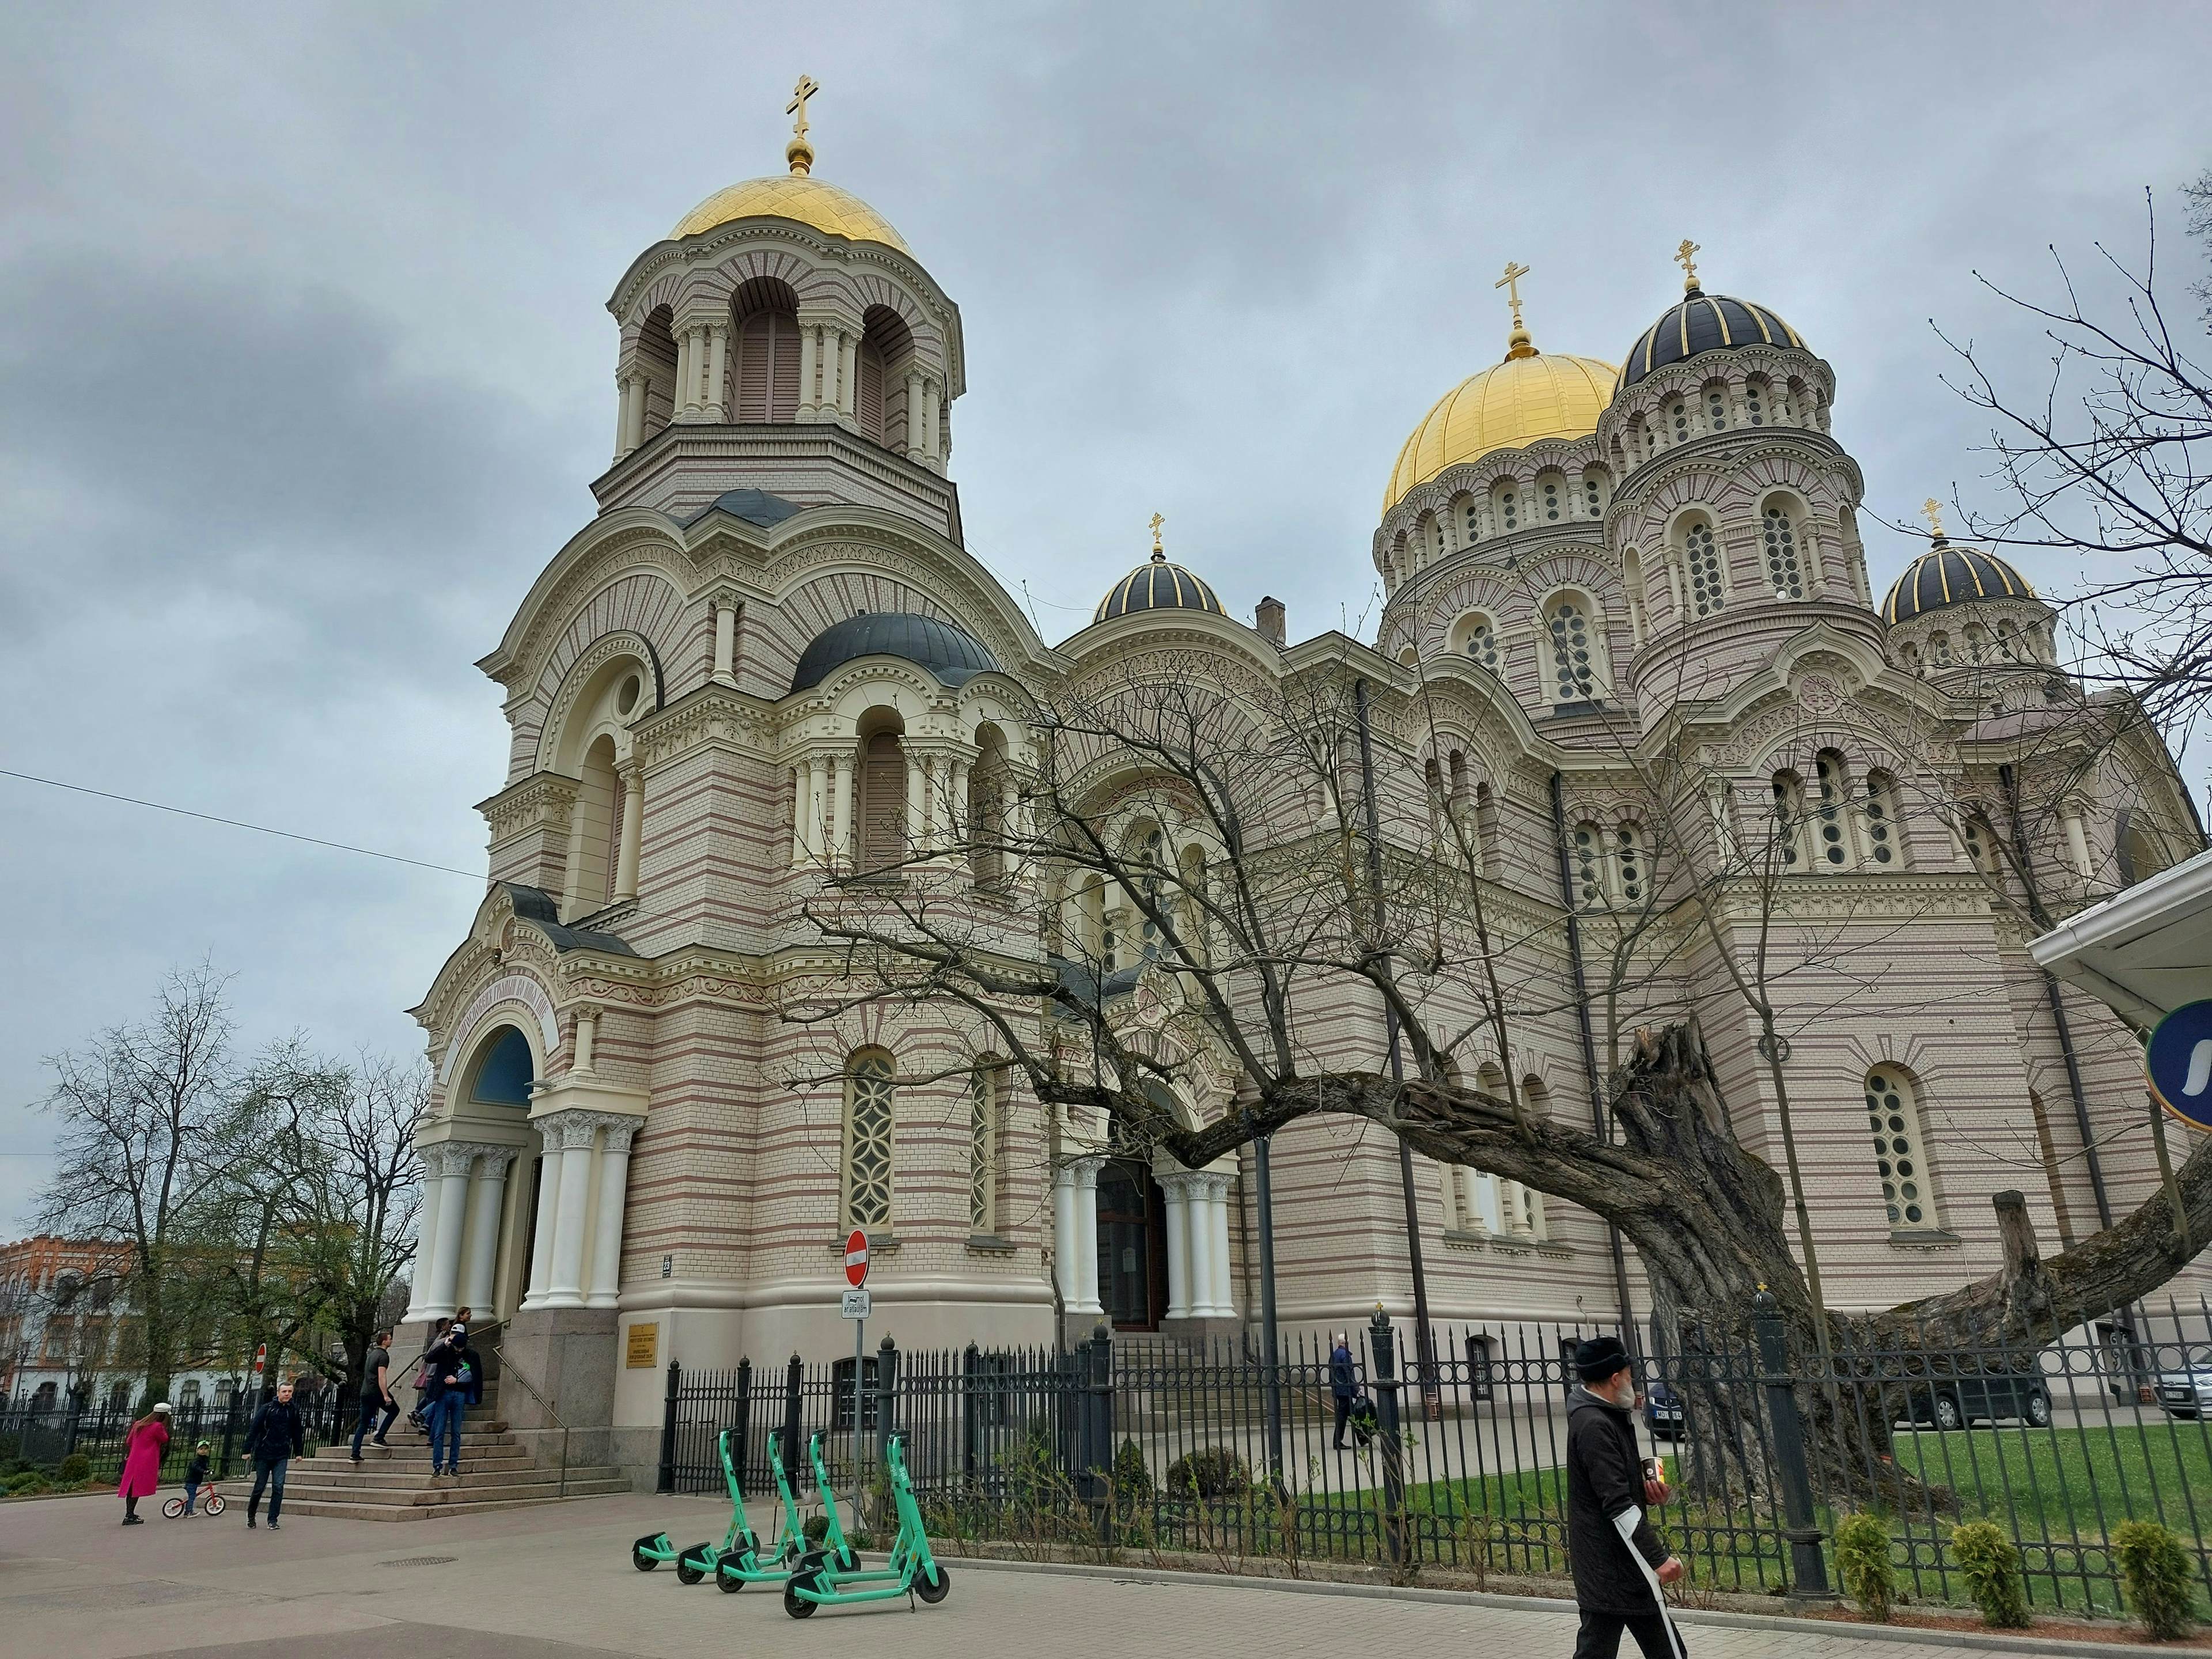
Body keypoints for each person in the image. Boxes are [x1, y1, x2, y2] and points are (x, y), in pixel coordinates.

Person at [1565, 1336, 1685, 1659]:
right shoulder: (1594, 1424)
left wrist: (1646, 1493)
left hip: (1620, 1564)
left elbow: (1612, 1489)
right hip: (1611, 1565)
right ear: (1616, 1378)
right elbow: (1617, 1505)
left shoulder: (1606, 1416)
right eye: (1630, 1375)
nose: (1634, 1382)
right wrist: (1658, 1559)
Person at [244, 1377, 306, 1529]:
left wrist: (299, 1452)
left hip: (281, 1454)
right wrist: (247, 1450)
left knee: (278, 1486)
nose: (287, 1394)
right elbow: (254, 1429)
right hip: (264, 1453)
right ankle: (251, 1515)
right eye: (284, 1391)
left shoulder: (293, 1410)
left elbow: (297, 1432)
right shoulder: (267, 1409)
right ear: (278, 1393)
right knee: (260, 1486)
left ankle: (273, 1520)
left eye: (290, 1392)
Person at [422, 1321, 471, 1479]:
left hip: (459, 1393)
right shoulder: (445, 1351)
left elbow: (473, 1373)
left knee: (456, 1432)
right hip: (444, 1393)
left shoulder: (468, 1354)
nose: (458, 1349)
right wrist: (445, 1344)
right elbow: (429, 1358)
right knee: (439, 1432)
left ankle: (453, 1465)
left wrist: (459, 1381)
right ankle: (437, 1466)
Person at [116, 1402, 171, 1525]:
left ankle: (129, 1513)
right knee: (137, 1488)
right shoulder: (157, 1426)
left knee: (132, 1488)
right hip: (145, 1461)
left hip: (133, 1460)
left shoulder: (138, 1424)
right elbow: (165, 1439)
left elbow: (129, 1441)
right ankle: (129, 1516)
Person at [351, 1330, 397, 1463]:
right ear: (384, 1341)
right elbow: (381, 1376)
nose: (391, 1340)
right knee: (395, 1410)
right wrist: (386, 1395)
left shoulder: (372, 1355)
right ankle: (379, 1437)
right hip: (376, 1391)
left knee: (363, 1423)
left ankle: (355, 1454)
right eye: (390, 1339)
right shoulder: (383, 1356)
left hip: (365, 1392)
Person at [1329, 1334, 1357, 1450]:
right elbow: (1349, 1372)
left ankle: (1363, 1436)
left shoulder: (1334, 1355)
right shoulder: (1345, 1355)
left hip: (1338, 1389)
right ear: (1345, 1343)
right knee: (1344, 1416)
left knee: (1349, 1414)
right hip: (1345, 1390)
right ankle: (1337, 1441)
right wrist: (1357, 1389)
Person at [180, 1440, 211, 1516]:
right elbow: (196, 1467)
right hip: (191, 1481)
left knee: (192, 1496)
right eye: (201, 1449)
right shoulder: (196, 1460)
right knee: (192, 1497)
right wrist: (203, 1471)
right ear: (197, 1450)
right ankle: (189, 1512)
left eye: (205, 1449)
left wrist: (208, 1470)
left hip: (195, 1481)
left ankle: (188, 1510)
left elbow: (204, 1467)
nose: (203, 1451)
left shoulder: (204, 1459)